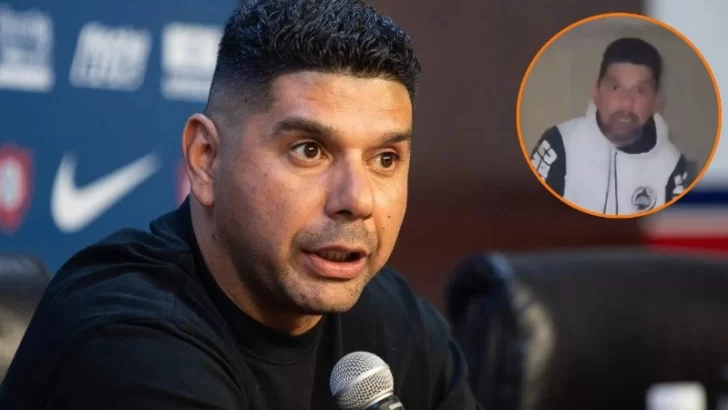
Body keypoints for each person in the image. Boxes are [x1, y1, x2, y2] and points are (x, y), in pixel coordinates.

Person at [0, 1, 481, 409]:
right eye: (309, 150)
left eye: (385, 158)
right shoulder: (126, 342)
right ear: (206, 159)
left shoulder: (396, 322)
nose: (356, 199)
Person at [530, 37, 696, 216]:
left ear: (656, 102)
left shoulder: (672, 164)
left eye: (640, 91)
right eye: (615, 88)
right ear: (596, 92)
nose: (626, 103)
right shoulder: (559, 144)